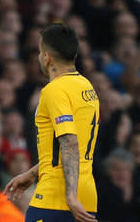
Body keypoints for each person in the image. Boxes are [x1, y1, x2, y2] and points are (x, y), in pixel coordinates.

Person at [5, 23, 100, 222]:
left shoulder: (54, 90)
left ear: (46, 57)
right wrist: (32, 174)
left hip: (57, 196)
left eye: (40, 52)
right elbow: (66, 149)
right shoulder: (86, 87)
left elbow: (69, 142)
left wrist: (70, 196)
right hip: (88, 195)